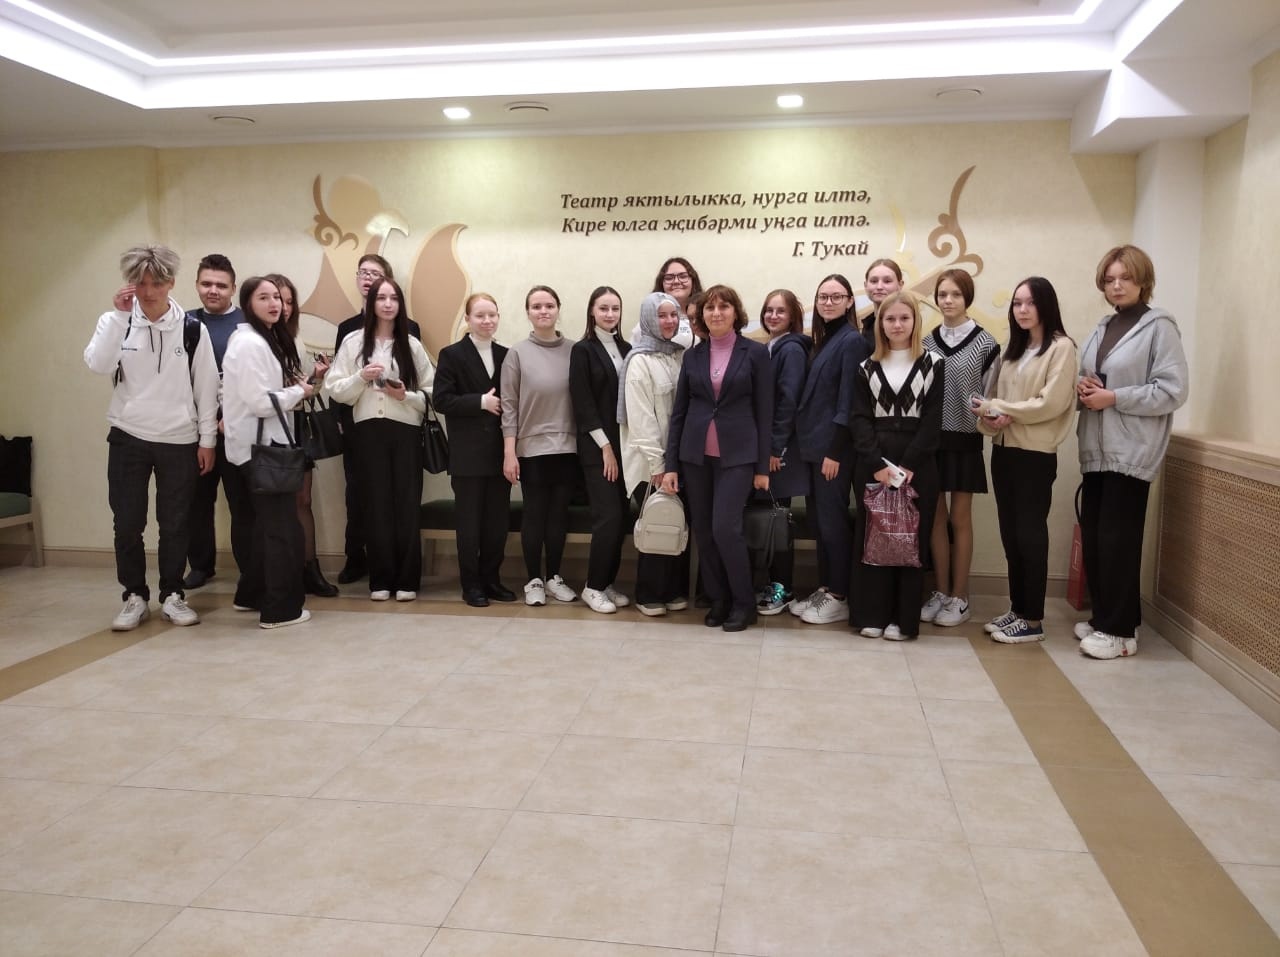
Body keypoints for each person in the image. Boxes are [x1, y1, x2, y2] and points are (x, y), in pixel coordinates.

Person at [84, 244, 218, 631]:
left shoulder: (192, 329)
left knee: (175, 523)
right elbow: (98, 364)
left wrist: (207, 440)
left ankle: (173, 594)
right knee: (127, 522)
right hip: (128, 435)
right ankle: (134, 596)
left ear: (171, 283)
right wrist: (117, 317)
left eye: (156, 283)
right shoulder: (116, 321)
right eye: (140, 283)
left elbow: (206, 387)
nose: (147, 292)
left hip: (180, 438)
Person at [1074, 245, 1189, 659]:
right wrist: (1085, 387)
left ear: (1143, 281)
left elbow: (1172, 391)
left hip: (1132, 451)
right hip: (1096, 448)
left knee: (1118, 541)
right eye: (1110, 279)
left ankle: (1120, 633)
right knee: (1096, 539)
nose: (1117, 285)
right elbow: (1092, 378)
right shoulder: (1103, 327)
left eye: (1125, 278)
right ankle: (1105, 618)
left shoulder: (1159, 327)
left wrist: (1115, 397)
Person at [661, 284, 773, 632]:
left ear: (735, 313)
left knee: (726, 528)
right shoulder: (692, 356)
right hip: (695, 458)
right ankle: (719, 599)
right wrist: (671, 465)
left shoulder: (755, 353)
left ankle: (744, 603)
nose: (716, 313)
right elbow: (679, 413)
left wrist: (762, 467)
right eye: (710, 308)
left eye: (724, 307)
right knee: (705, 532)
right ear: (702, 316)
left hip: (737, 458)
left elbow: (765, 412)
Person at [972, 277, 1077, 643]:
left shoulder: (1061, 347)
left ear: (1046, 305)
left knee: (1030, 535)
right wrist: (990, 416)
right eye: (1017, 303)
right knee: (1011, 534)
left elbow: (1051, 402)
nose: (1022, 309)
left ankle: (1032, 620)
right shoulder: (1013, 350)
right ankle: (1018, 609)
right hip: (1004, 451)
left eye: (1030, 302)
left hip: (1035, 455)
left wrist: (1001, 409)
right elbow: (993, 398)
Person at [328, 277, 434, 601]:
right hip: (367, 432)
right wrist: (361, 376)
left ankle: (407, 579)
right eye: (381, 298)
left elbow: (432, 392)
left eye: (394, 298)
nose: (388, 304)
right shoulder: (353, 342)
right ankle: (381, 579)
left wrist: (405, 395)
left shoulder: (411, 344)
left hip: (405, 431)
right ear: (371, 303)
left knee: (406, 504)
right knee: (375, 505)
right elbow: (335, 389)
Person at [850, 290, 944, 642]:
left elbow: (932, 422)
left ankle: (903, 621)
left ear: (915, 321)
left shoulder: (933, 364)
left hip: (918, 463)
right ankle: (872, 615)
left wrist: (907, 466)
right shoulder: (866, 367)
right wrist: (877, 464)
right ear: (881, 324)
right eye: (890, 319)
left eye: (904, 318)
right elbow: (859, 419)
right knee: (874, 538)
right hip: (874, 463)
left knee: (910, 542)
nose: (897, 324)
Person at [220, 276, 314, 628]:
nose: (274, 304)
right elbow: (260, 402)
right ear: (248, 303)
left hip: (255, 447)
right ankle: (279, 610)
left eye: (277, 297)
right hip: (261, 448)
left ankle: (250, 595)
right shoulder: (250, 344)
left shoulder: (261, 339)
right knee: (282, 531)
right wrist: (299, 392)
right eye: (264, 298)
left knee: (266, 528)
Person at [920, 269, 1000, 628]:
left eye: (955, 294)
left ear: (968, 297)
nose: (948, 300)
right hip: (932, 440)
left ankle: (960, 596)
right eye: (942, 294)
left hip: (965, 439)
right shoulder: (927, 342)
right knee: (935, 517)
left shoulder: (986, 343)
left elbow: (992, 396)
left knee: (960, 518)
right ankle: (940, 591)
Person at [790, 274, 870, 625]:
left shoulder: (852, 341)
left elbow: (848, 402)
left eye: (836, 297)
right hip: (813, 448)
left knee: (833, 522)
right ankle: (826, 587)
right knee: (820, 522)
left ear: (850, 301)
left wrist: (835, 452)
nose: (828, 302)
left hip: (832, 451)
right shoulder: (823, 340)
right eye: (823, 296)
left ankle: (839, 594)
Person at [433, 293, 515, 607]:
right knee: (469, 525)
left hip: (500, 454)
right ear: (467, 319)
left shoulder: (507, 354)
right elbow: (441, 400)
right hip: (467, 456)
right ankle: (471, 585)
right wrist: (481, 402)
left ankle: (492, 580)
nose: (487, 321)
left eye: (492, 315)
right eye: (480, 315)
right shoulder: (452, 354)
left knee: (497, 524)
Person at [502, 285, 579, 607]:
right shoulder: (517, 353)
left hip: (568, 447)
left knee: (558, 515)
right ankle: (533, 579)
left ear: (558, 309)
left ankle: (554, 577)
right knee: (534, 514)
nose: (543, 311)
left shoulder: (576, 350)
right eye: (536, 306)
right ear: (528, 312)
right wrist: (509, 453)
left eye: (549, 305)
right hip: (531, 450)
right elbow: (509, 406)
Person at [268, 272, 338, 598]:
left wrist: (316, 377)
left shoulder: (295, 339)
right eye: (275, 299)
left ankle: (311, 569)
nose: (282, 306)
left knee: (302, 500)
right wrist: (294, 387)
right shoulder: (255, 341)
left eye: (288, 301)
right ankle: (283, 572)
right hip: (267, 428)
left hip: (296, 425)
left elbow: (307, 390)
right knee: (274, 505)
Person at [620, 292, 690, 616]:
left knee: (677, 523)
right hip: (651, 463)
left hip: (677, 460)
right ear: (649, 319)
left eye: (674, 315)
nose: (669, 321)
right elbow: (641, 419)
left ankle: (674, 590)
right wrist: (658, 465)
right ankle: (649, 593)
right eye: (662, 315)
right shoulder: (639, 361)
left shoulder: (676, 355)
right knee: (656, 522)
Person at [570, 286, 633, 614]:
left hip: (625, 448)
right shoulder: (583, 350)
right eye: (604, 308)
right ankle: (592, 586)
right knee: (608, 517)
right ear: (592, 311)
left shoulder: (627, 349)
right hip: (598, 450)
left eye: (615, 308)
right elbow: (583, 403)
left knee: (621, 517)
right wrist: (606, 447)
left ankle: (607, 582)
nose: (610, 314)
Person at [183, 253, 244, 589]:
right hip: (195, 429)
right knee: (197, 501)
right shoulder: (185, 323)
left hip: (238, 428)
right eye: (206, 283)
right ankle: (200, 566)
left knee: (242, 502)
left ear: (233, 288)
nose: (213, 290)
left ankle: (248, 567)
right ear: (196, 285)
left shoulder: (248, 324)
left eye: (221, 285)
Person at [754, 289, 811, 615]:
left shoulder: (791, 349)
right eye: (769, 310)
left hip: (780, 453)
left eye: (781, 311)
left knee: (778, 520)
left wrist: (775, 448)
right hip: (768, 449)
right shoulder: (771, 347)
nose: (773, 316)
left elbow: (789, 402)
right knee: (768, 518)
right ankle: (771, 583)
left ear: (793, 317)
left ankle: (783, 588)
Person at [649, 256, 700, 348]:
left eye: (683, 276)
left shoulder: (708, 314)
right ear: (661, 284)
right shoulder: (650, 320)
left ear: (693, 281)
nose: (676, 281)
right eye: (669, 278)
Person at [860, 258, 904, 348]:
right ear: (865, 285)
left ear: (900, 285)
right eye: (874, 281)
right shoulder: (868, 324)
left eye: (887, 281)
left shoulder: (905, 324)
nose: (879, 287)